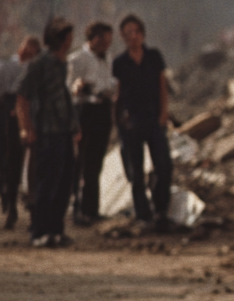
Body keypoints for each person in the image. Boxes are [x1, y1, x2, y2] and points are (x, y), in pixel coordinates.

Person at [16, 18, 81, 247]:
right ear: (61, 39)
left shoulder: (62, 64)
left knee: (64, 183)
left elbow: (64, 98)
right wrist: (27, 128)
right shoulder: (39, 64)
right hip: (46, 131)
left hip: (63, 131)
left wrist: (74, 127)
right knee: (46, 183)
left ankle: (55, 230)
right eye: (69, 37)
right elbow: (22, 98)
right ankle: (39, 231)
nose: (72, 41)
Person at [112, 13, 172, 231]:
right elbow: (117, 93)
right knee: (135, 172)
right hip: (131, 122)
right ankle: (143, 214)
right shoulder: (119, 63)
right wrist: (118, 122)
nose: (133, 36)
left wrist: (164, 113)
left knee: (164, 166)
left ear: (142, 34)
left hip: (153, 118)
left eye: (136, 32)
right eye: (128, 33)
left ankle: (161, 209)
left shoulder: (154, 57)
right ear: (123, 36)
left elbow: (162, 85)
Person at [67, 21, 118, 224]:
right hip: (84, 110)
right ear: (93, 38)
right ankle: (76, 208)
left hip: (102, 110)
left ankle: (92, 208)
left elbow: (110, 83)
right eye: (103, 39)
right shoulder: (77, 59)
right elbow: (70, 88)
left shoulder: (108, 59)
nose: (106, 44)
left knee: (95, 162)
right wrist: (80, 88)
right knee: (79, 160)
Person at [0, 35, 41, 229]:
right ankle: (10, 203)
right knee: (12, 160)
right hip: (11, 111)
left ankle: (33, 209)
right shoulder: (8, 66)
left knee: (34, 163)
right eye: (26, 50)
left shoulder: (35, 68)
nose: (27, 54)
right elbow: (1, 90)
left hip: (31, 110)